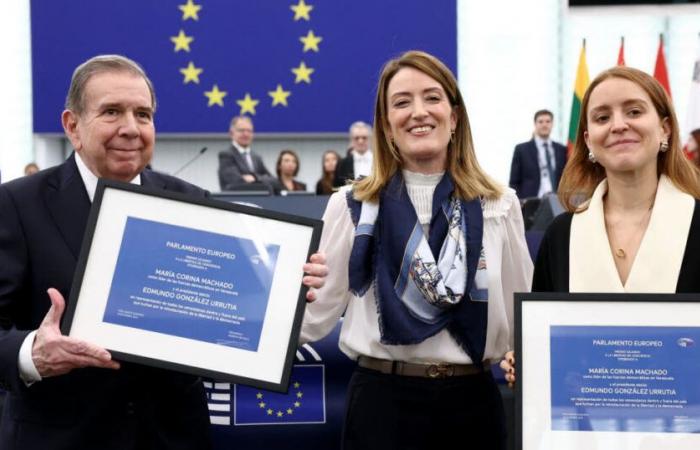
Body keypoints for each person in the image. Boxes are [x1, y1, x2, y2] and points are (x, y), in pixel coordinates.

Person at [0, 54, 328, 450]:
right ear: (72, 126)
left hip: (171, 438)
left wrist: (287, 290)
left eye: (143, 114)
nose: (131, 129)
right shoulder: (17, 205)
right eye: (111, 112)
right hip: (60, 438)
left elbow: (233, 313)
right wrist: (31, 354)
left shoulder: (194, 204)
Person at [301, 50, 533, 450]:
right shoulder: (351, 205)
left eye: (432, 97)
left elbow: (524, 317)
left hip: (472, 408)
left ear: (454, 117)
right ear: (387, 126)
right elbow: (312, 318)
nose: (418, 112)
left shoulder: (499, 205)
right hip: (380, 406)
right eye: (402, 102)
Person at [500, 66, 700, 385]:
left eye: (634, 111)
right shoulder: (562, 235)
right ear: (588, 140)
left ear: (665, 129)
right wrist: (528, 364)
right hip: (584, 431)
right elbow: (546, 348)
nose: (619, 125)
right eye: (602, 117)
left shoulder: (695, 222)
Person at [508, 109, 567, 199]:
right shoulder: (522, 149)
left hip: (557, 201)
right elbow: (514, 182)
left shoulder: (561, 149)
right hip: (531, 202)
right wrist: (519, 203)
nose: (544, 125)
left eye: (548, 121)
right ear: (535, 124)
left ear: (552, 124)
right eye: (540, 122)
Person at [217, 116, 281, 193]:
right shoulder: (226, 155)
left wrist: (255, 178)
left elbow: (274, 182)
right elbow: (235, 182)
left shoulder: (256, 157)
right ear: (231, 133)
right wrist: (262, 181)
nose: (246, 134)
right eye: (241, 130)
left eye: (249, 131)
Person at [333, 121, 373, 187]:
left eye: (364, 138)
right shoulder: (342, 163)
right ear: (351, 140)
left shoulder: (380, 161)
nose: (360, 141)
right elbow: (337, 188)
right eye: (356, 138)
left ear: (370, 139)